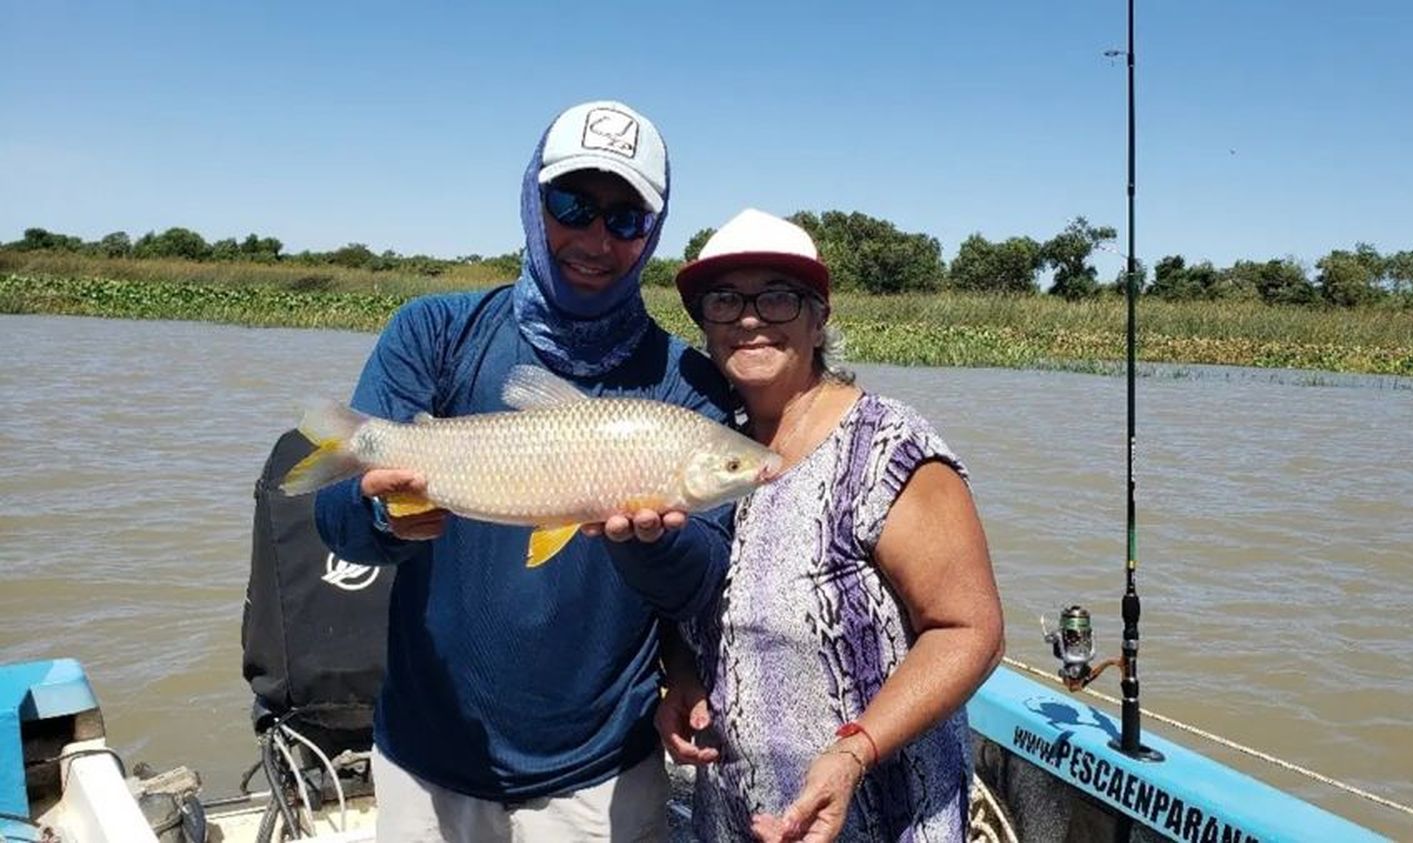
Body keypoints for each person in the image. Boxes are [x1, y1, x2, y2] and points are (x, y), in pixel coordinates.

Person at [314, 100, 735, 841]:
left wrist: (651, 542)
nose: (595, 238)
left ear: (654, 233)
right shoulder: (435, 332)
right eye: (571, 203)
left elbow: (702, 579)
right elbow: (337, 523)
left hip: (600, 774)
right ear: (530, 197)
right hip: (425, 762)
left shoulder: (688, 385)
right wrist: (386, 512)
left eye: (626, 218)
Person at [657, 209, 1006, 841]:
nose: (750, 318)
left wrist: (853, 752)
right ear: (705, 325)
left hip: (885, 817)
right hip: (739, 821)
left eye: (778, 298)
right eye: (725, 300)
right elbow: (695, 596)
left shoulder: (889, 448)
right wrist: (680, 675)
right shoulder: (704, 455)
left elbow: (970, 631)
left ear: (819, 321)